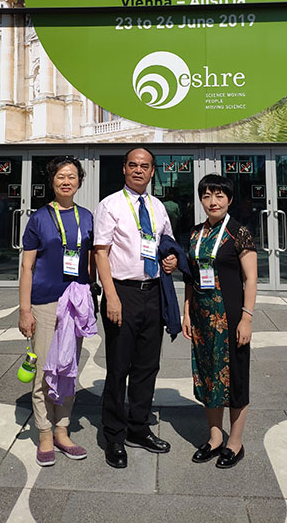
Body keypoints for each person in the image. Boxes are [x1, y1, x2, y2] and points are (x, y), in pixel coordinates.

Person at [93, 147, 178, 469]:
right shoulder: (110, 205)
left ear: (153, 171)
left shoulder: (157, 206)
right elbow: (100, 252)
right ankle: (114, 435)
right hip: (123, 293)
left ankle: (138, 428)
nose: (139, 170)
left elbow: (166, 243)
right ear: (124, 169)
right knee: (119, 368)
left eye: (145, 166)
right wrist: (111, 296)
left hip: (153, 293)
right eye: (133, 165)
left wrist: (171, 259)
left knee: (147, 366)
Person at [18, 156, 95, 467]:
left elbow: (91, 260)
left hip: (76, 302)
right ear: (52, 181)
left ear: (79, 182)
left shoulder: (87, 217)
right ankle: (45, 433)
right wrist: (25, 310)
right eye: (61, 176)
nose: (66, 181)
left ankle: (63, 430)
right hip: (46, 302)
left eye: (72, 176)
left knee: (68, 369)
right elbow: (27, 266)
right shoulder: (39, 218)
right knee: (44, 371)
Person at [182, 174, 257, 469]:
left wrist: (246, 319)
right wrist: (186, 312)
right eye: (207, 196)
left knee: (235, 377)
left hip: (230, 316)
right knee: (208, 376)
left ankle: (235, 442)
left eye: (219, 196)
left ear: (229, 199)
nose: (213, 201)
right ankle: (214, 437)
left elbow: (251, 279)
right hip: (202, 318)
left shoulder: (239, 233)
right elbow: (190, 278)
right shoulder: (195, 233)